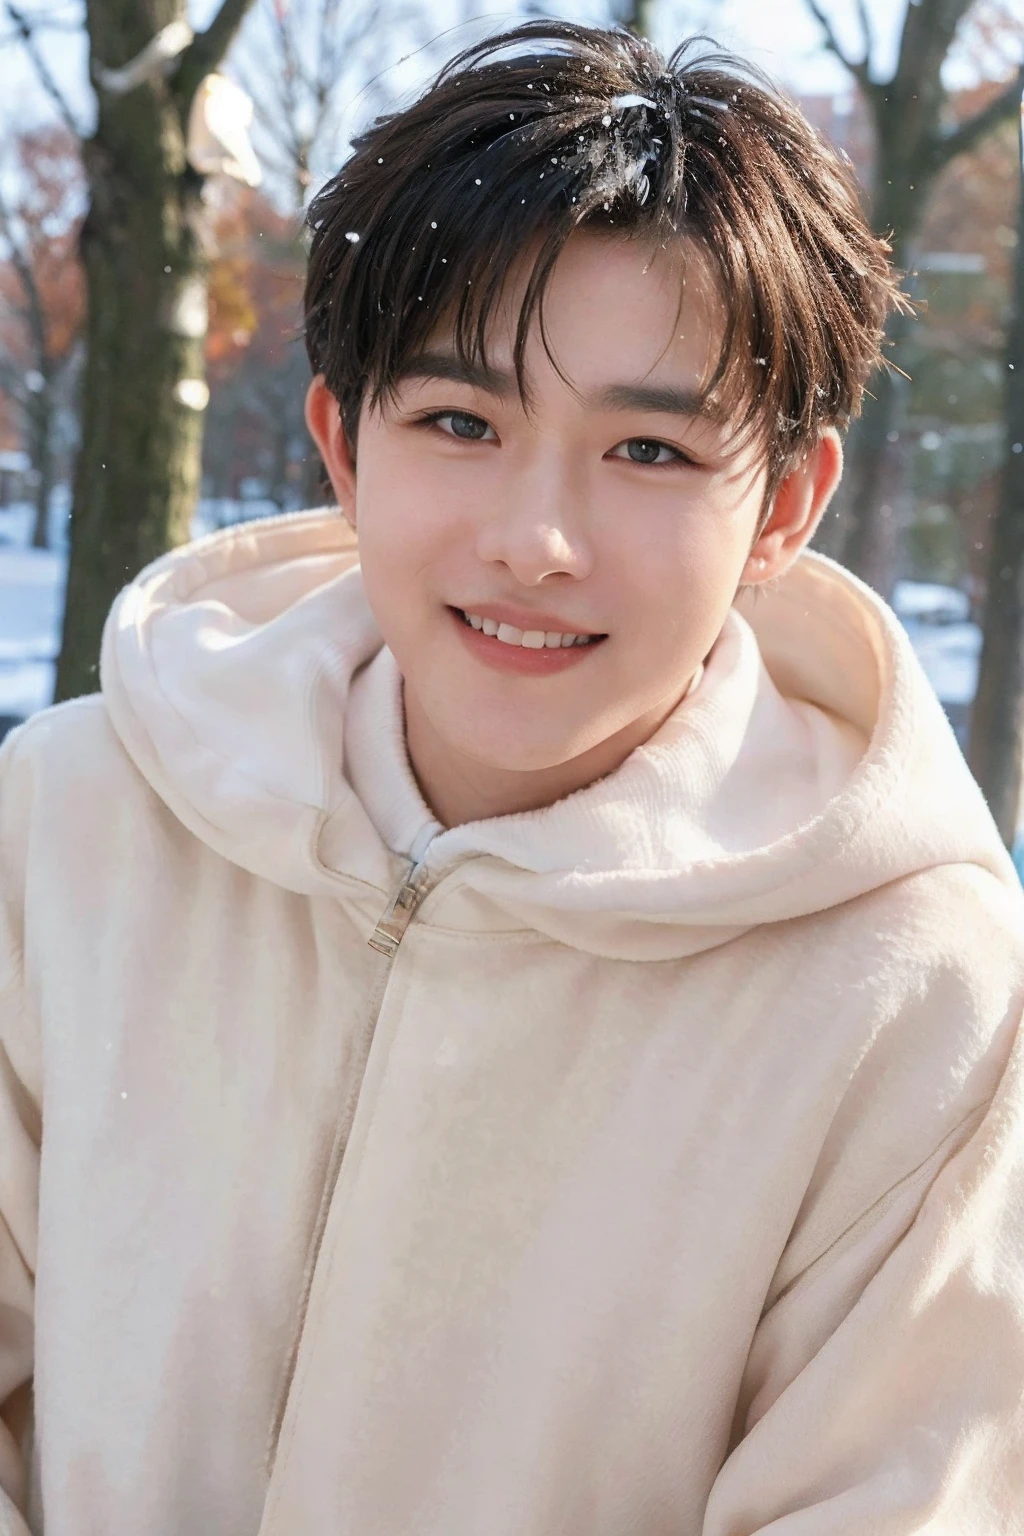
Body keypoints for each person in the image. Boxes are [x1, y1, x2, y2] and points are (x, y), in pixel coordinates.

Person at [2, 20, 1023, 1535]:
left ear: (787, 503)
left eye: (652, 455)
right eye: (462, 424)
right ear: (346, 448)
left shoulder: (919, 990)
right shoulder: (77, 818)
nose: (536, 538)